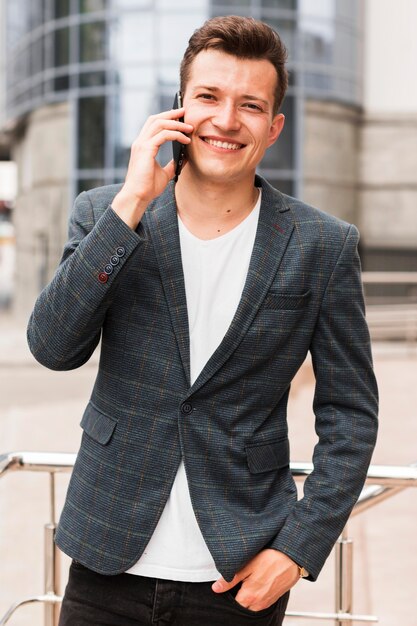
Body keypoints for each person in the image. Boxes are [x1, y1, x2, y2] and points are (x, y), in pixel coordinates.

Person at [27, 15, 378, 626]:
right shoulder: (106, 214)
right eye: (209, 97)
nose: (226, 119)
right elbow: (54, 347)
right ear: (179, 108)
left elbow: (351, 414)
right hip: (106, 562)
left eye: (250, 105)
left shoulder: (322, 245)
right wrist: (131, 206)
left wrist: (297, 548)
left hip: (238, 574)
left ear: (273, 128)